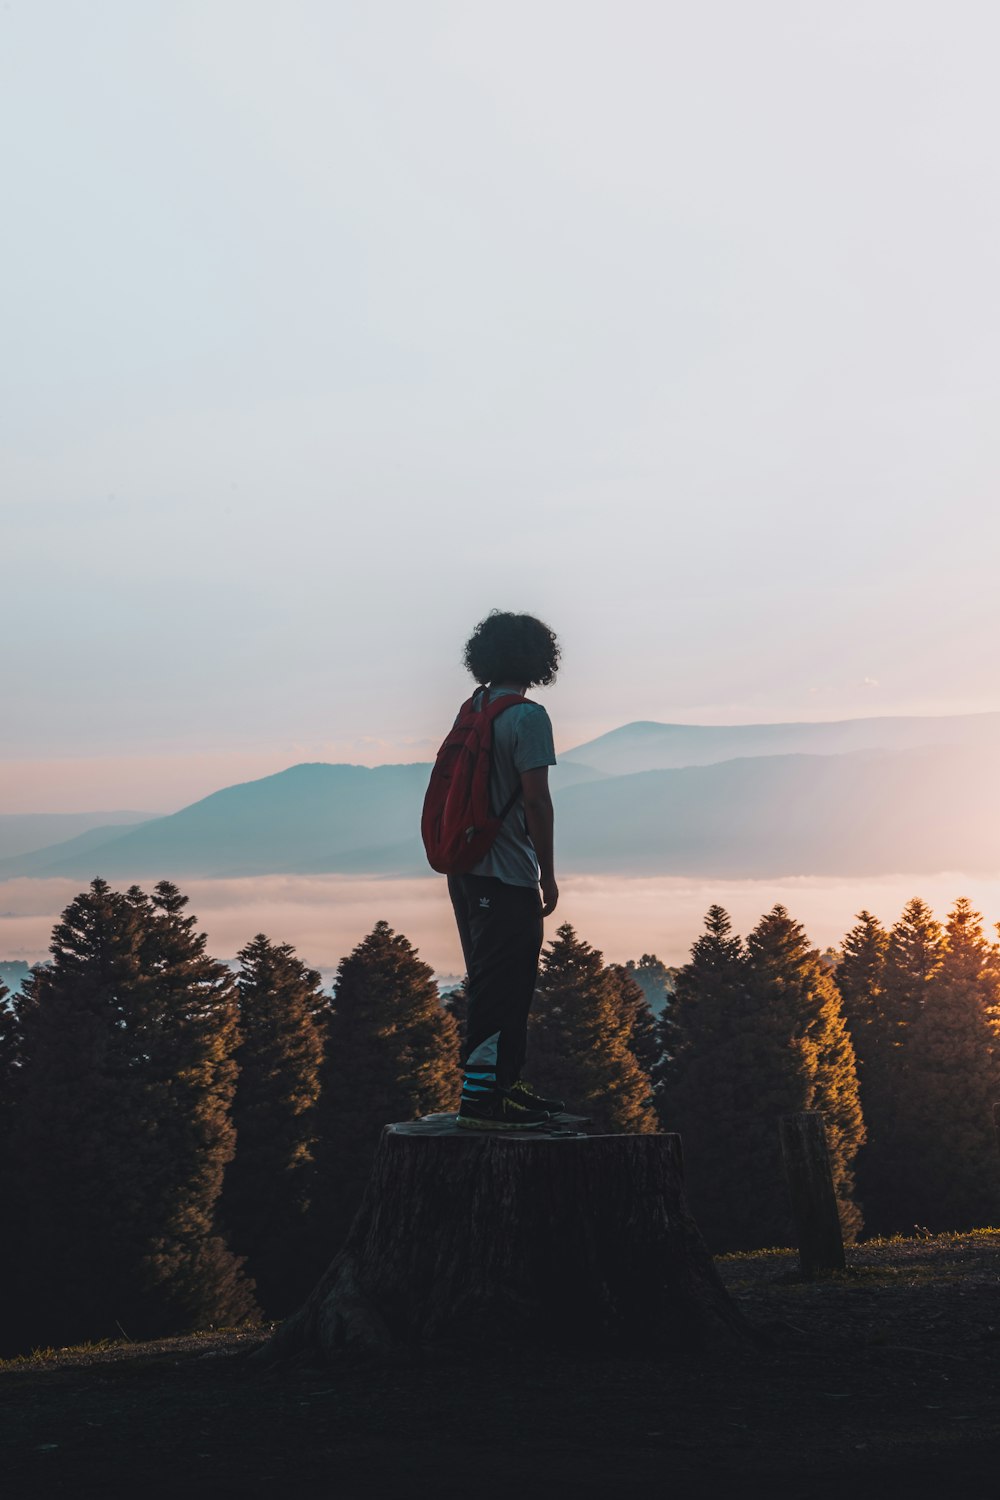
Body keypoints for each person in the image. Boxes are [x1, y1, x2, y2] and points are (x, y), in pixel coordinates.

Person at [448, 610, 566, 1130]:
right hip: (508, 871)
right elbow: (537, 803)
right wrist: (548, 872)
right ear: (540, 659)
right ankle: (480, 1100)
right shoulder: (527, 717)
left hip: (465, 868)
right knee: (501, 984)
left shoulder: (473, 708)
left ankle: (505, 1086)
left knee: (501, 978)